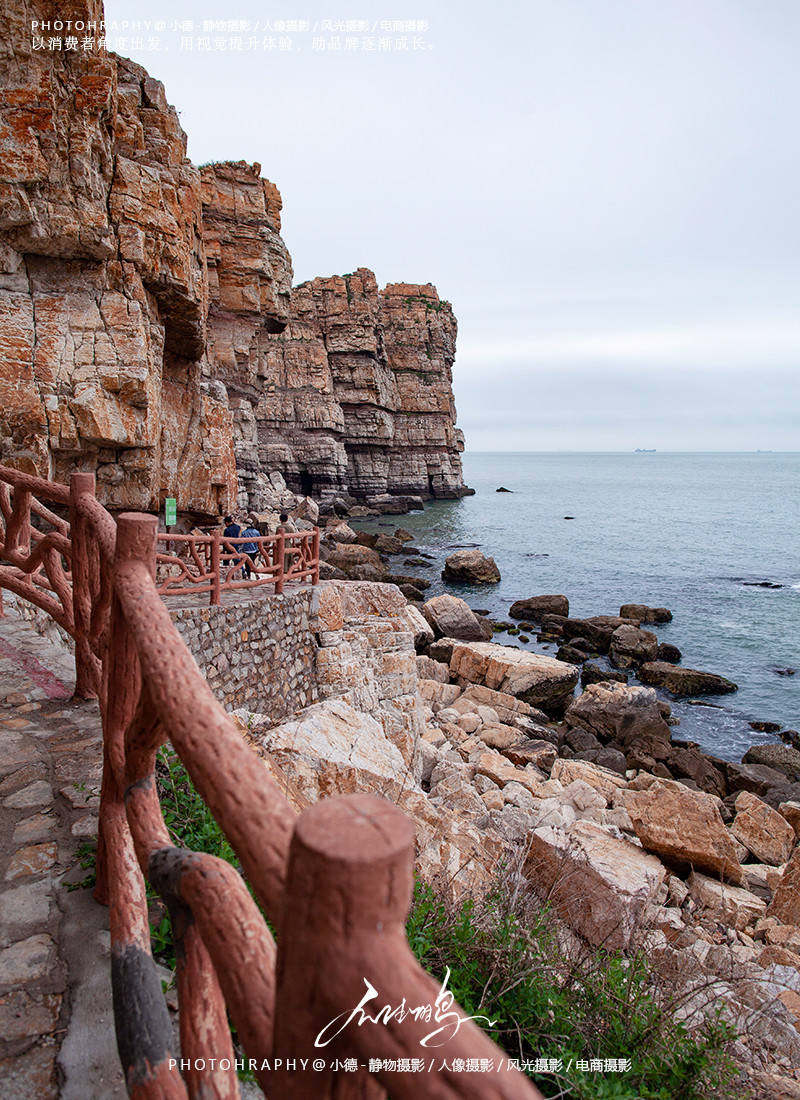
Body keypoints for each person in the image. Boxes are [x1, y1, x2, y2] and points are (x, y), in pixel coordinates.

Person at [239, 514, 261, 580]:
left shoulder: (244, 533)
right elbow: (259, 542)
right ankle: (256, 573)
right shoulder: (256, 532)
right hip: (254, 550)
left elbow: (241, 542)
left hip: (246, 550)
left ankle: (248, 576)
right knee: (253, 562)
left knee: (247, 564)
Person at [278, 512, 297, 577]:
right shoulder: (290, 527)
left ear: (280, 519)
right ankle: (289, 572)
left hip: (281, 544)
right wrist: (294, 543)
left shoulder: (279, 527)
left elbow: (276, 537)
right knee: (289, 558)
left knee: (282, 558)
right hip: (288, 543)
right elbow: (293, 536)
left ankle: (282, 572)